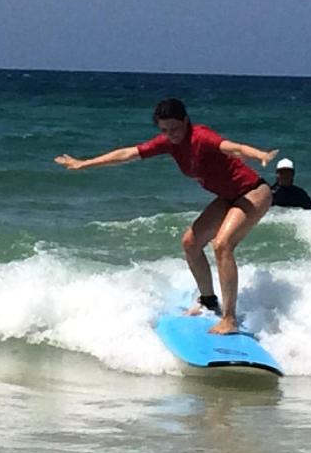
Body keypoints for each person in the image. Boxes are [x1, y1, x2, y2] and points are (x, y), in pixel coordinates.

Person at [54, 98, 278, 335]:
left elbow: (234, 147)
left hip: (254, 192)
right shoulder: (169, 143)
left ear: (186, 121)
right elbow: (128, 153)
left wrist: (259, 155)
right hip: (227, 197)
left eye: (175, 128)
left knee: (222, 245)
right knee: (190, 243)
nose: (171, 135)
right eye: (164, 130)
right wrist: (85, 163)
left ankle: (229, 319)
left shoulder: (201, 136)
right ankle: (208, 301)